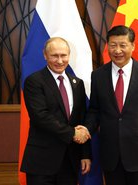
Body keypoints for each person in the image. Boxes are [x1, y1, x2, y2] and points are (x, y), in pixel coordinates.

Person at [85, 25, 138, 185]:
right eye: (113, 45)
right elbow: (95, 111)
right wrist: (86, 129)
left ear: (132, 46)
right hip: (111, 155)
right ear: (107, 46)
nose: (117, 50)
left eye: (123, 45)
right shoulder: (98, 76)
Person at [20, 37, 91, 185]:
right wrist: (72, 133)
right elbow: (41, 116)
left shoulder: (77, 83)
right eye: (54, 55)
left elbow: (81, 120)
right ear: (45, 55)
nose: (60, 61)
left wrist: (85, 154)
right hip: (42, 161)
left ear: (69, 56)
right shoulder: (34, 81)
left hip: (70, 161)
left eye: (63, 55)